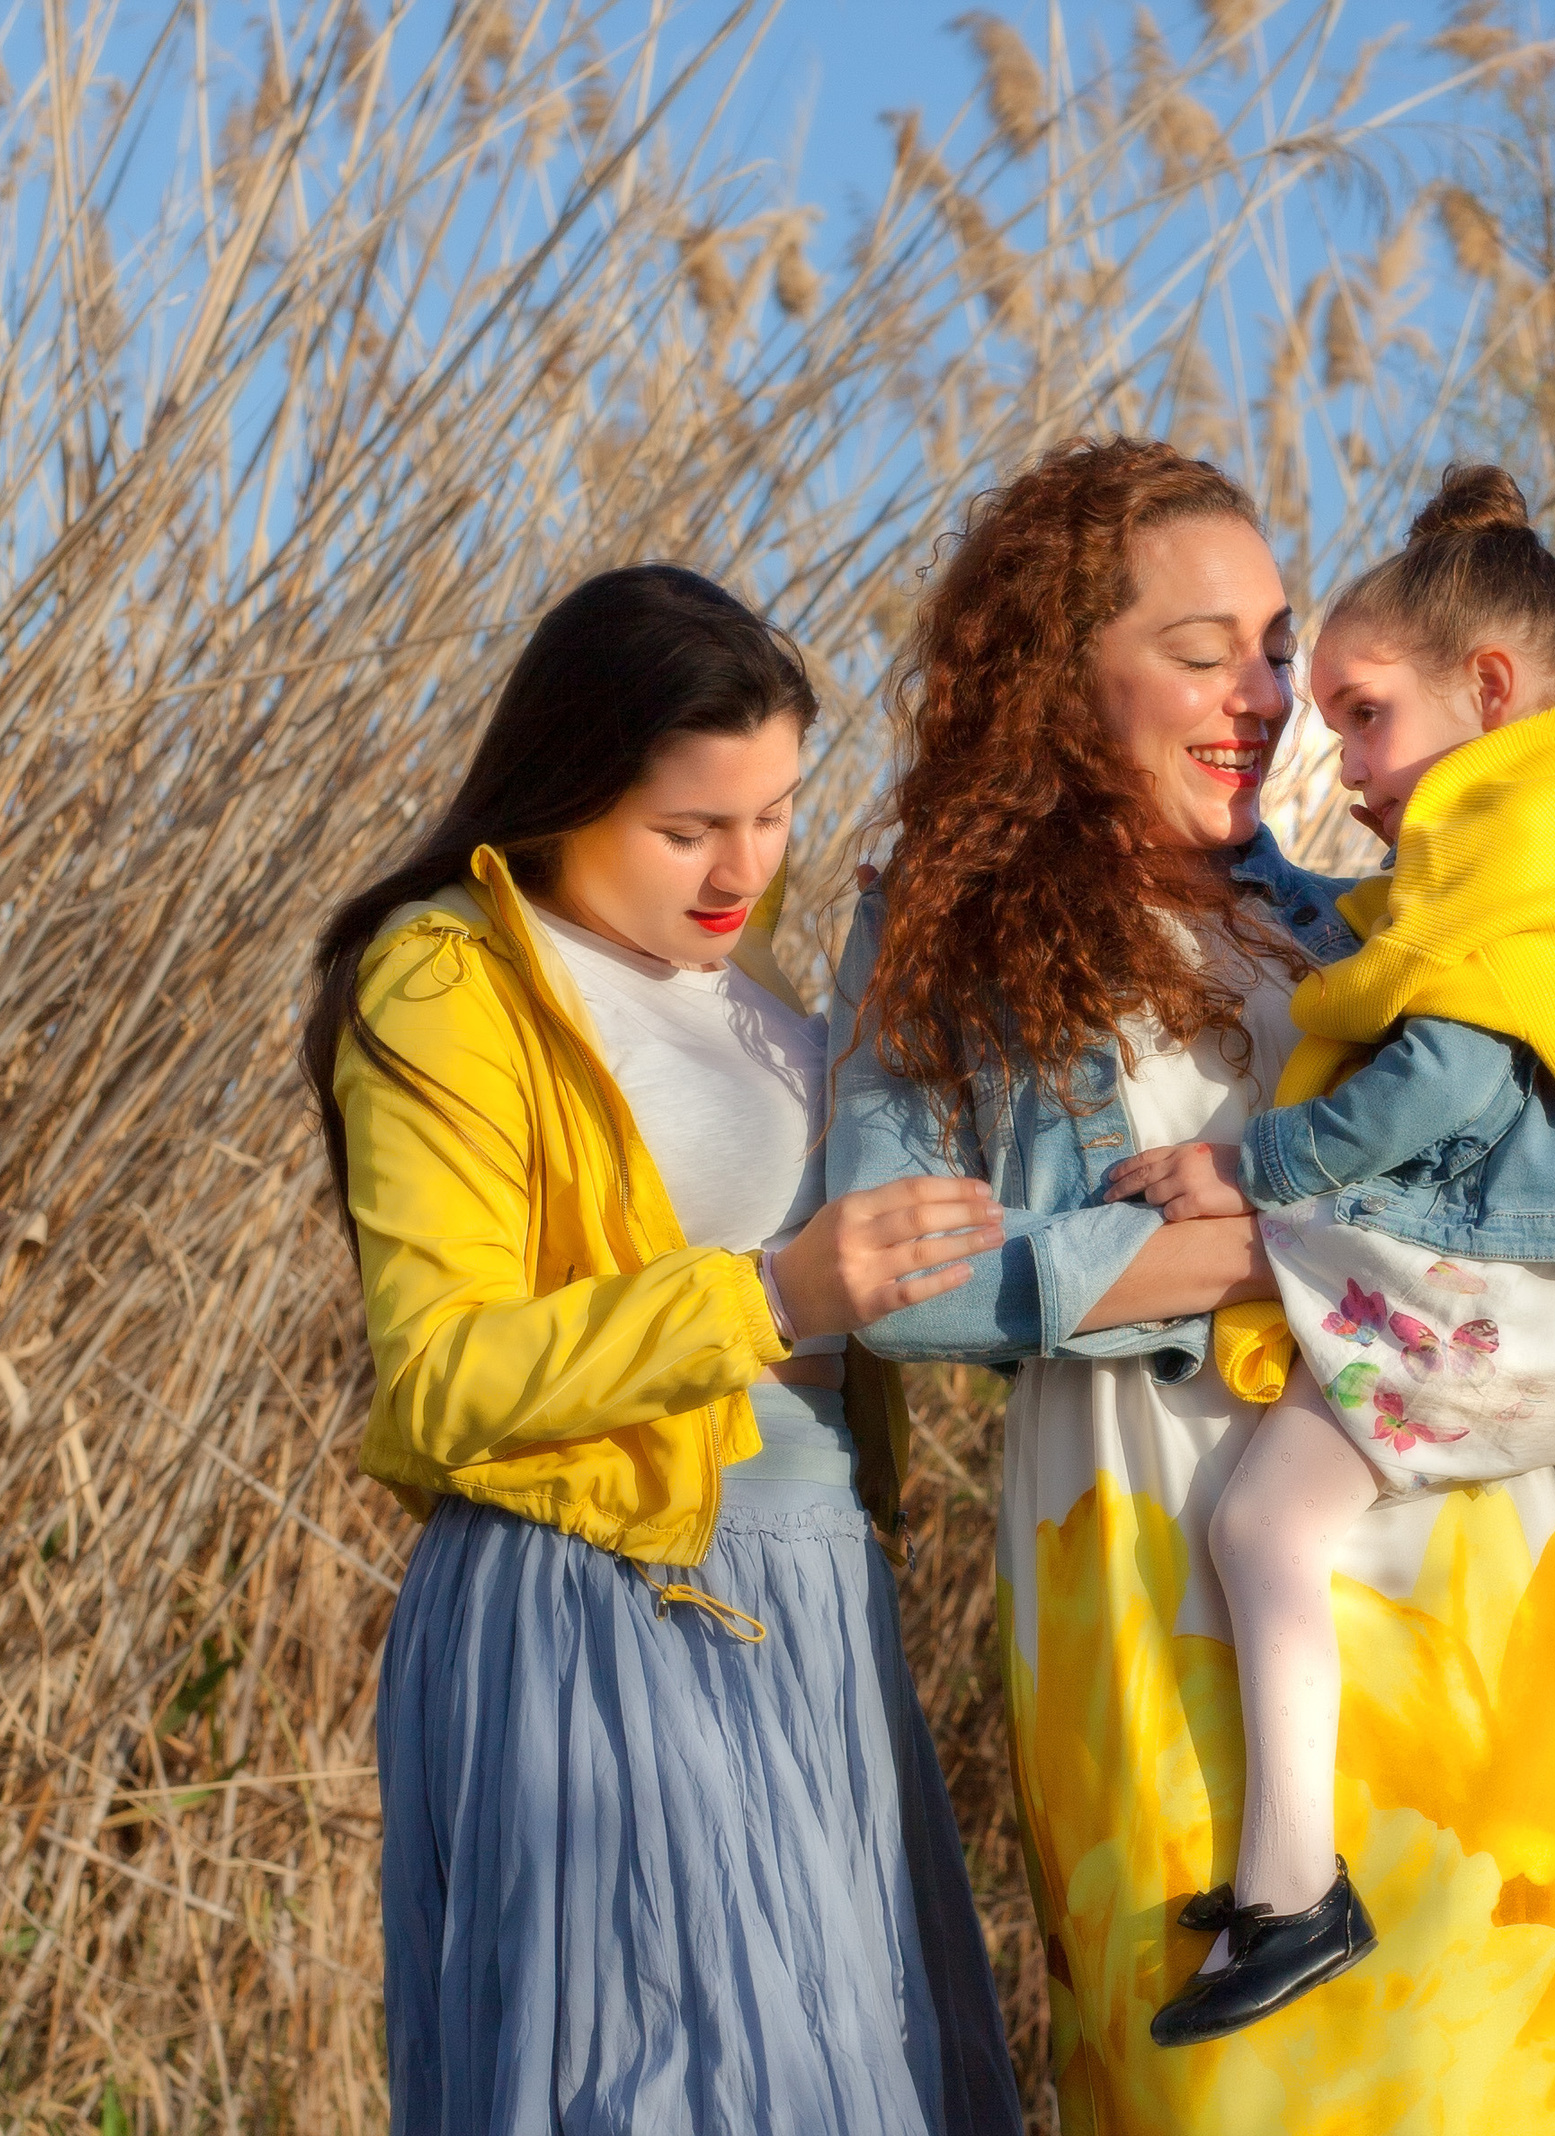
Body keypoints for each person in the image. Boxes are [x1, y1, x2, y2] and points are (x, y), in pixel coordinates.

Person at [827, 437, 1555, 2129]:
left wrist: (1300, 1251)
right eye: (1207, 653)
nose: (1270, 702)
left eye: (1276, 650)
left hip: (1477, 1585)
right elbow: (894, 1281)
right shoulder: (935, 930)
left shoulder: (1372, 921)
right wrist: (1268, 1258)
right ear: (1052, 679)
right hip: (1159, 1578)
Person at [303, 563, 1027, 2136]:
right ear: (568, 789)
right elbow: (438, 1378)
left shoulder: (753, 991)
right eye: (688, 828)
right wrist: (768, 1299)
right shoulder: (450, 974)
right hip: (604, 1600)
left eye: (770, 816)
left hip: (818, 1592)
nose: (740, 868)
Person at [1098, 464, 1555, 2044]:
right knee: (1278, 1513)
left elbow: (1447, 1073)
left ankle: (1291, 1887)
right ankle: (1282, 1873)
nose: (1336, 755)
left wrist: (1239, 1170)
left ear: (1486, 688)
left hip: (1526, 1290)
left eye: (1363, 714)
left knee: (1262, 1525)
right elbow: (1379, 951)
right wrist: (1250, 881)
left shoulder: (1530, 849)